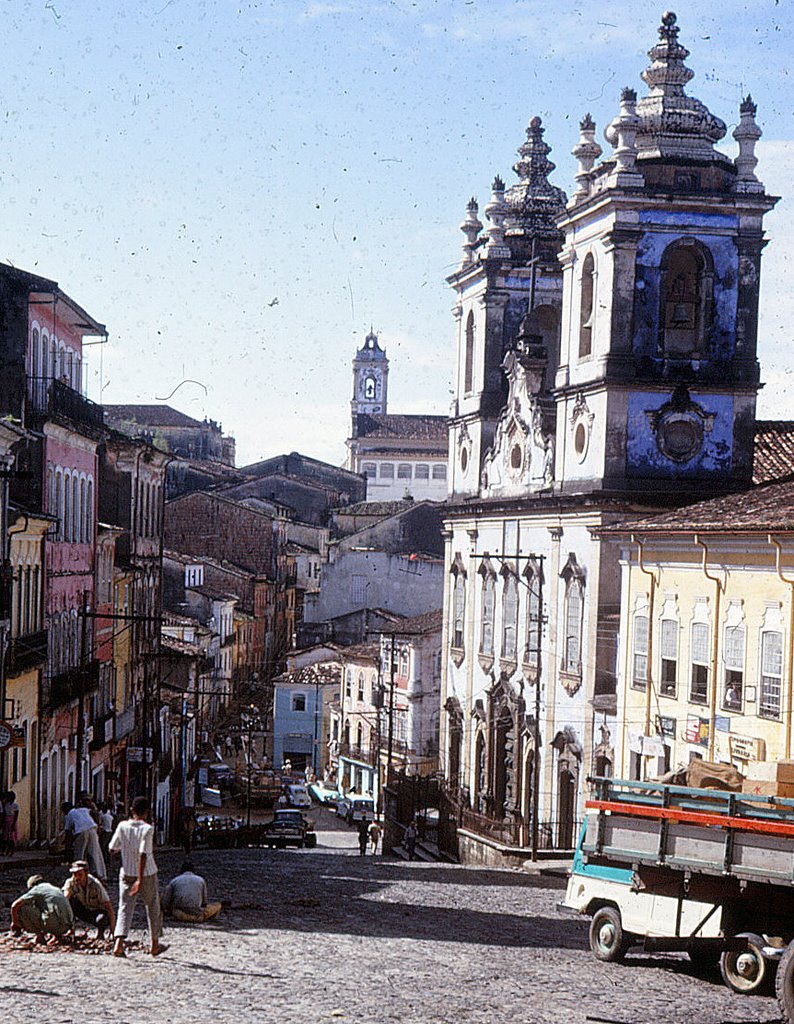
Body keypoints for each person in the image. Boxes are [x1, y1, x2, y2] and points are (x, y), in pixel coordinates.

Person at [108, 795, 166, 958]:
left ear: (131, 810)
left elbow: (112, 848)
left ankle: (118, 944)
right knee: (153, 906)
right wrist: (140, 879)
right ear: (147, 812)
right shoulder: (147, 829)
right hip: (146, 874)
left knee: (124, 907)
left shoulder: (122, 826)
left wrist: (125, 851)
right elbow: (143, 854)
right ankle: (155, 944)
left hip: (126, 873)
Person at [10, 874, 73, 943]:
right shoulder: (54, 888)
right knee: (47, 908)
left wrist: (15, 922)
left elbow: (14, 905)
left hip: (54, 925)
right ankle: (58, 937)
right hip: (66, 926)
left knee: (22, 908)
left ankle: (39, 936)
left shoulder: (37, 889)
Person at [62, 859, 115, 939]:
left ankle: (100, 934)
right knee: (69, 903)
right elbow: (64, 901)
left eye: (79, 874)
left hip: (96, 912)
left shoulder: (95, 884)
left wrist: (113, 930)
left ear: (86, 873)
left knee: (102, 919)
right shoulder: (70, 882)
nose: (76, 877)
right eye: (74, 874)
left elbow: (109, 908)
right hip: (82, 910)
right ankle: (71, 930)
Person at [62, 799, 106, 880]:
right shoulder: (83, 810)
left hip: (81, 831)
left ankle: (78, 874)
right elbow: (94, 812)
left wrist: (67, 849)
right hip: (92, 828)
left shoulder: (69, 815)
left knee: (79, 854)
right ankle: (98, 873)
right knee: (95, 852)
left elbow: (68, 832)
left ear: (65, 810)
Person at [2, 791, 20, 856]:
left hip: (12, 821)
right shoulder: (6, 804)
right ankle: (6, 850)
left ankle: (12, 851)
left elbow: (16, 815)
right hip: (7, 821)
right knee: (6, 837)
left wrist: (13, 824)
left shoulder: (15, 805)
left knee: (12, 837)